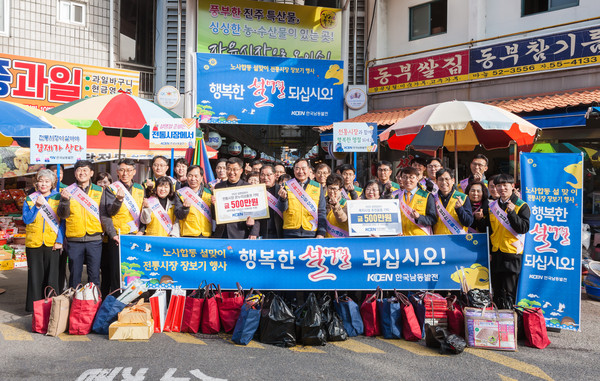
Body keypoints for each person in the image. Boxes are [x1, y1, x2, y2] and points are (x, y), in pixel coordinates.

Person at [100, 158, 145, 296]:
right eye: (122, 170)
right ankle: (116, 304)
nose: (125, 173)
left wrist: (142, 230)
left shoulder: (140, 188)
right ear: (117, 172)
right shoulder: (111, 189)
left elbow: (144, 212)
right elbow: (106, 214)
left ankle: (134, 301)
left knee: (135, 271)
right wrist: (113, 234)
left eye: (129, 170)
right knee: (117, 273)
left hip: (136, 237)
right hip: (118, 237)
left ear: (134, 172)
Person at [484, 174, 530, 307]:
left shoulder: (522, 206)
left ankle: (512, 321)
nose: (502, 188)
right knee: (497, 291)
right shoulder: (492, 206)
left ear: (512, 186)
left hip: (512, 253)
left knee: (510, 291)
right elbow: (489, 230)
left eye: (505, 185)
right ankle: (499, 320)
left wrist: (512, 213)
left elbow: (523, 228)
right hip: (496, 253)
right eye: (498, 185)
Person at [57, 160, 104, 288]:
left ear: (91, 173)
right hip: (74, 238)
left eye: (85, 170)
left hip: (94, 238)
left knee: (94, 275)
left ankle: (93, 305)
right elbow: (62, 215)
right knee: (75, 275)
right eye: (79, 170)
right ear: (74, 173)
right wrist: (65, 201)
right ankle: (75, 305)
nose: (82, 173)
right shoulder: (67, 191)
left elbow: (105, 214)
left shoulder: (100, 191)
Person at [23, 169, 64, 312]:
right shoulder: (30, 199)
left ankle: (52, 307)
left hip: (52, 242)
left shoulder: (58, 197)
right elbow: (26, 219)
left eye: (47, 181)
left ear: (52, 183)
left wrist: (59, 240)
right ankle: (34, 308)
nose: (43, 184)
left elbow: (63, 222)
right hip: (34, 242)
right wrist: (37, 206)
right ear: (36, 183)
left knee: (52, 277)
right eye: (41, 181)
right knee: (35, 277)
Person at [278, 158, 326, 238]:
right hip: (290, 231)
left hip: (311, 232)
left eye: (303, 169)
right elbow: (281, 209)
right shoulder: (286, 185)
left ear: (309, 170)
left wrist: (321, 232)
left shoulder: (317, 187)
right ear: (293, 170)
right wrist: (283, 199)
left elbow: (321, 211)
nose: (300, 172)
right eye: (297, 169)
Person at [213, 157, 260, 239]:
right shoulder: (218, 187)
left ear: (241, 171)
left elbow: (257, 213)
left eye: (235, 169)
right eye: (228, 169)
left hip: (241, 232)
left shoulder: (248, 187)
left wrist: (254, 232)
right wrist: (214, 205)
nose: (231, 172)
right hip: (221, 232)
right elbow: (214, 215)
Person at [174, 165, 213, 238]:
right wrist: (185, 208)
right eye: (190, 176)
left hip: (206, 234)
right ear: (186, 177)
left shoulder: (209, 193)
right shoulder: (180, 193)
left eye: (196, 176)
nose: (193, 179)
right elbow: (178, 215)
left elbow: (214, 215)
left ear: (201, 178)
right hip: (188, 234)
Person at [432, 168, 473, 235]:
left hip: (457, 239)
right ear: (436, 181)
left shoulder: (463, 197)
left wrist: (460, 209)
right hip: (438, 240)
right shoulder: (432, 198)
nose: (444, 182)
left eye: (447, 179)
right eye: (441, 179)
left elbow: (468, 222)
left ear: (453, 180)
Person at [398, 166, 437, 236]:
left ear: (417, 178)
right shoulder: (397, 196)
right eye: (404, 177)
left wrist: (419, 217)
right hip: (402, 239)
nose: (408, 180)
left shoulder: (427, 196)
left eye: (411, 177)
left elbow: (432, 219)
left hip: (420, 239)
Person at [259, 164, 284, 239]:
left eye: (268, 175)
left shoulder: (282, 190)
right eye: (262, 175)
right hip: (261, 232)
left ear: (275, 175)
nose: (265, 178)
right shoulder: (256, 191)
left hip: (279, 232)